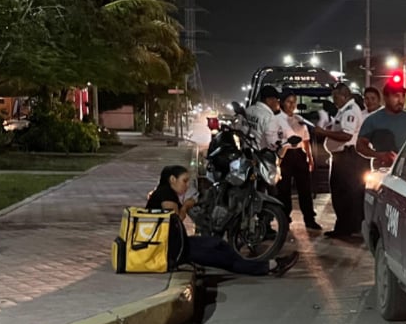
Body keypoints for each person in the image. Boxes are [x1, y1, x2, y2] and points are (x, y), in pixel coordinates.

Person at [146, 165, 298, 277]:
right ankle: (270, 266)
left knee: (219, 244)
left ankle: (265, 264)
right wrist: (185, 206)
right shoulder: (166, 194)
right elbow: (175, 219)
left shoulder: (165, 192)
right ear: (172, 179)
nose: (186, 185)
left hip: (180, 244)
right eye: (184, 181)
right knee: (225, 259)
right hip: (175, 250)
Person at [315, 85, 370, 239]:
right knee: (342, 194)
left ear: (344, 95)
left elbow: (346, 135)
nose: (334, 101)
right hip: (342, 157)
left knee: (345, 194)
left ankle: (347, 229)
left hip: (347, 158)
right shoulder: (344, 110)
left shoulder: (350, 111)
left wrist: (323, 132)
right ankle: (344, 227)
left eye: (336, 98)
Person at [277, 94, 321, 231]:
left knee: (305, 188)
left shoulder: (299, 119)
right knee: (284, 189)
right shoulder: (277, 119)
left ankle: (309, 219)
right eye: (289, 102)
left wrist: (309, 157)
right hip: (285, 154)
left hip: (299, 154)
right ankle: (285, 218)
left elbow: (306, 140)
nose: (292, 105)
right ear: (282, 103)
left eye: (294, 102)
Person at [359, 79, 406, 169]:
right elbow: (360, 145)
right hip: (382, 171)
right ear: (385, 97)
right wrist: (378, 155)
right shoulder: (373, 120)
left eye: (403, 96)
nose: (400, 100)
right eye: (396, 96)